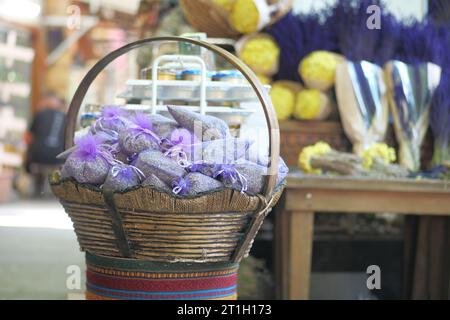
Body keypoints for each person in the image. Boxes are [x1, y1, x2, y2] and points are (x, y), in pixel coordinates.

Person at [25, 91, 66, 197]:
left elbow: (28, 137)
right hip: (58, 157)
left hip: (38, 156)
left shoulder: (40, 114)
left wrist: (26, 153)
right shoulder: (66, 117)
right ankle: (54, 189)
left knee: (36, 156)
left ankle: (37, 188)